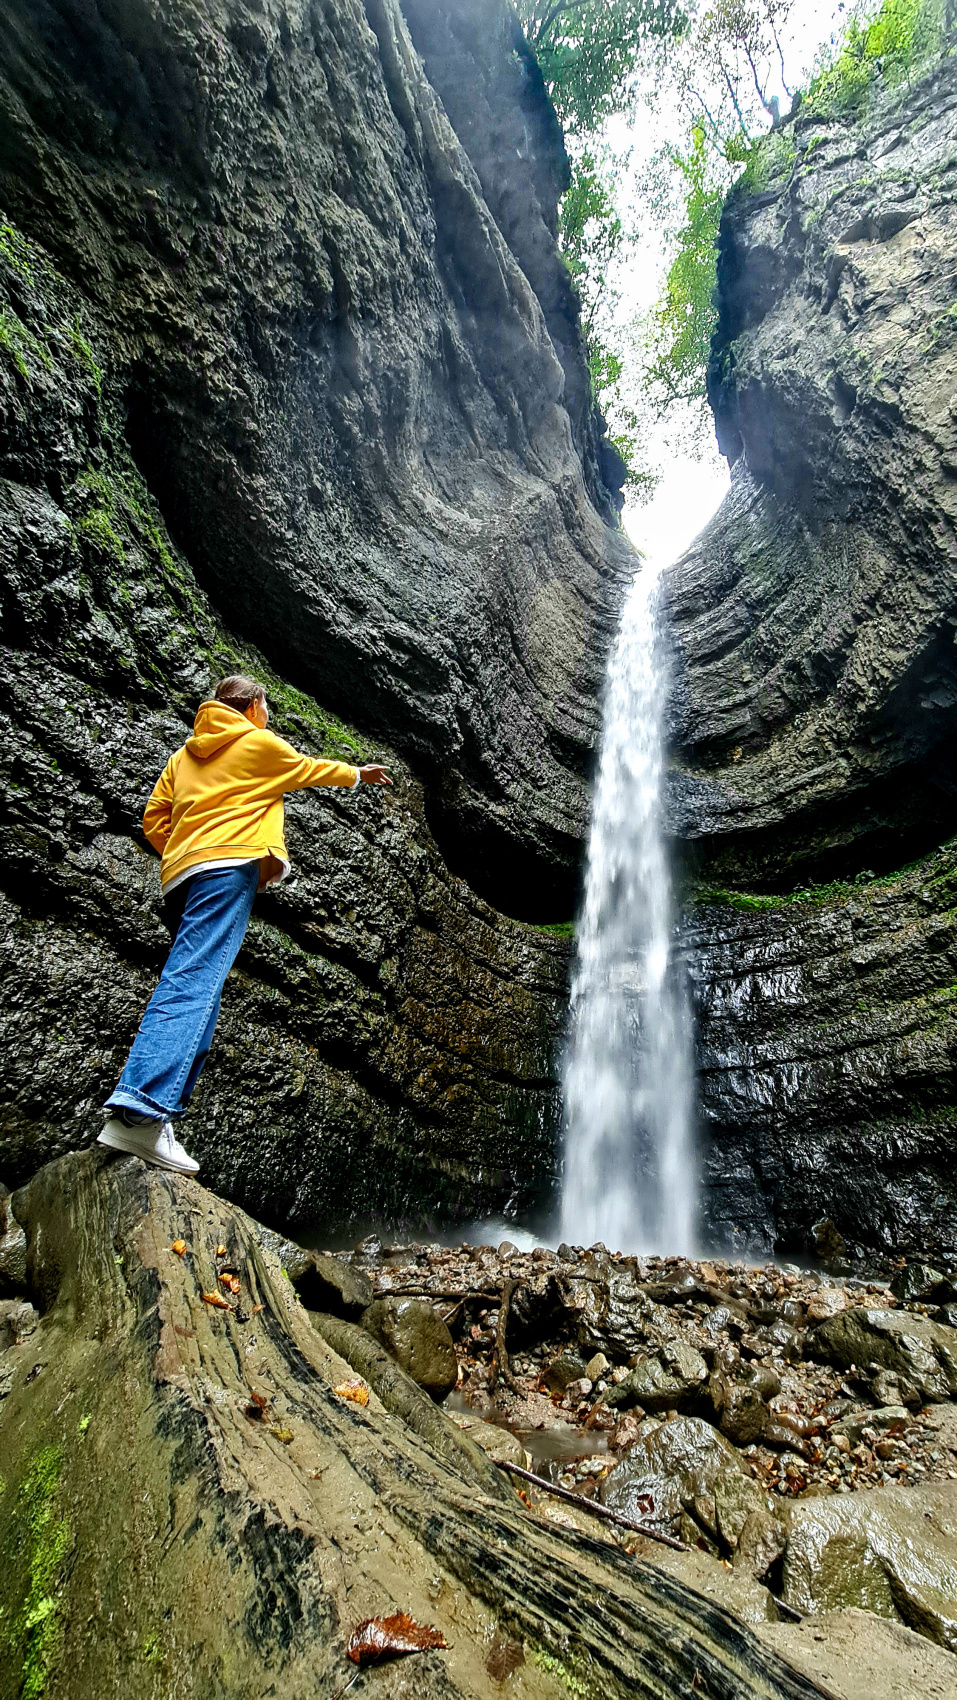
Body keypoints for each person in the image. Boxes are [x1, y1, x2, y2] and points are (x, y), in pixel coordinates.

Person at [98, 674, 391, 1173]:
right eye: (267, 707)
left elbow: (153, 818)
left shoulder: (183, 756)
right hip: (226, 869)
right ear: (252, 705)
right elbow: (305, 769)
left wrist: (188, 849)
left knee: (201, 990)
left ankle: (157, 1117)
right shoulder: (255, 741)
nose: (270, 715)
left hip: (180, 879)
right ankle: (138, 1113)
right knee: (191, 983)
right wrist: (359, 775)